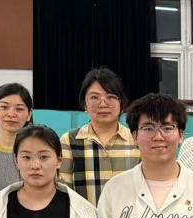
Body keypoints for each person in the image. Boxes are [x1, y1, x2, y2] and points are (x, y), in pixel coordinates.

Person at [58, 67, 139, 205]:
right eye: (94, 97)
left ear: (122, 103)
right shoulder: (69, 141)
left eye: (111, 97)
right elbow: (63, 190)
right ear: (85, 104)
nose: (103, 103)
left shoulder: (136, 140)